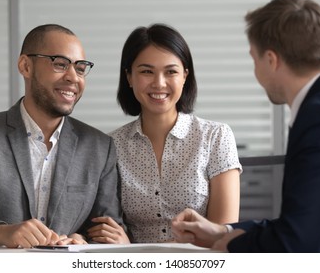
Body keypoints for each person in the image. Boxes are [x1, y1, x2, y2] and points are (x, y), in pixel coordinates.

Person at [172, 0, 320, 252]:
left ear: (271, 60)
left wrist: (231, 245)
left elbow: (297, 243)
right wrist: (222, 232)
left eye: (254, 59)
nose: (255, 70)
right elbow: (307, 221)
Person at [0, 24, 125, 248]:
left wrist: (81, 240)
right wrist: (0, 233)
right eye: (60, 64)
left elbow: (108, 232)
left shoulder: (99, 147)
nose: (73, 77)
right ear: (26, 66)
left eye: (81, 68)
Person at [96, 23, 241, 243]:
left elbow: (222, 235)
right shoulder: (110, 146)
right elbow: (107, 228)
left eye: (171, 71)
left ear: (185, 76)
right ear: (129, 77)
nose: (159, 83)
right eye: (146, 71)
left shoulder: (216, 137)